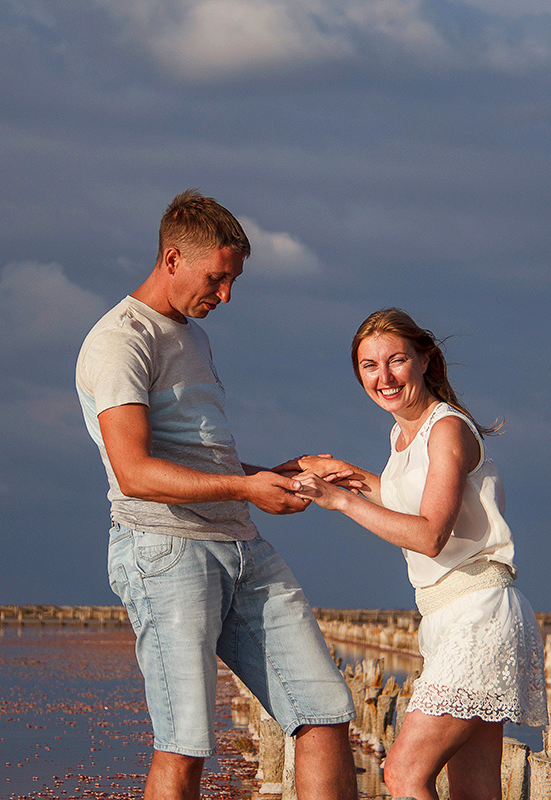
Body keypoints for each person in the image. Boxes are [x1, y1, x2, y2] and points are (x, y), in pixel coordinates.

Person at [75, 190, 357, 800]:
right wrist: (248, 488)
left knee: (326, 712)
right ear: (173, 258)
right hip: (166, 551)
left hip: (239, 547)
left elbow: (200, 458)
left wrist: (283, 472)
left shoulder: (192, 336)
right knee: (185, 744)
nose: (225, 295)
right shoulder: (120, 340)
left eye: (232, 281)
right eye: (217, 277)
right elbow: (135, 471)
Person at [292, 308, 548, 800]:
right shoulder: (402, 433)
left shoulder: (446, 429)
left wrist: (339, 499)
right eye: (369, 366)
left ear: (425, 359)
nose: (383, 378)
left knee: (403, 775)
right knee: (474, 789)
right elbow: (403, 498)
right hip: (445, 617)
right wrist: (345, 473)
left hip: (480, 615)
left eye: (396, 361)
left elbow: (430, 533)